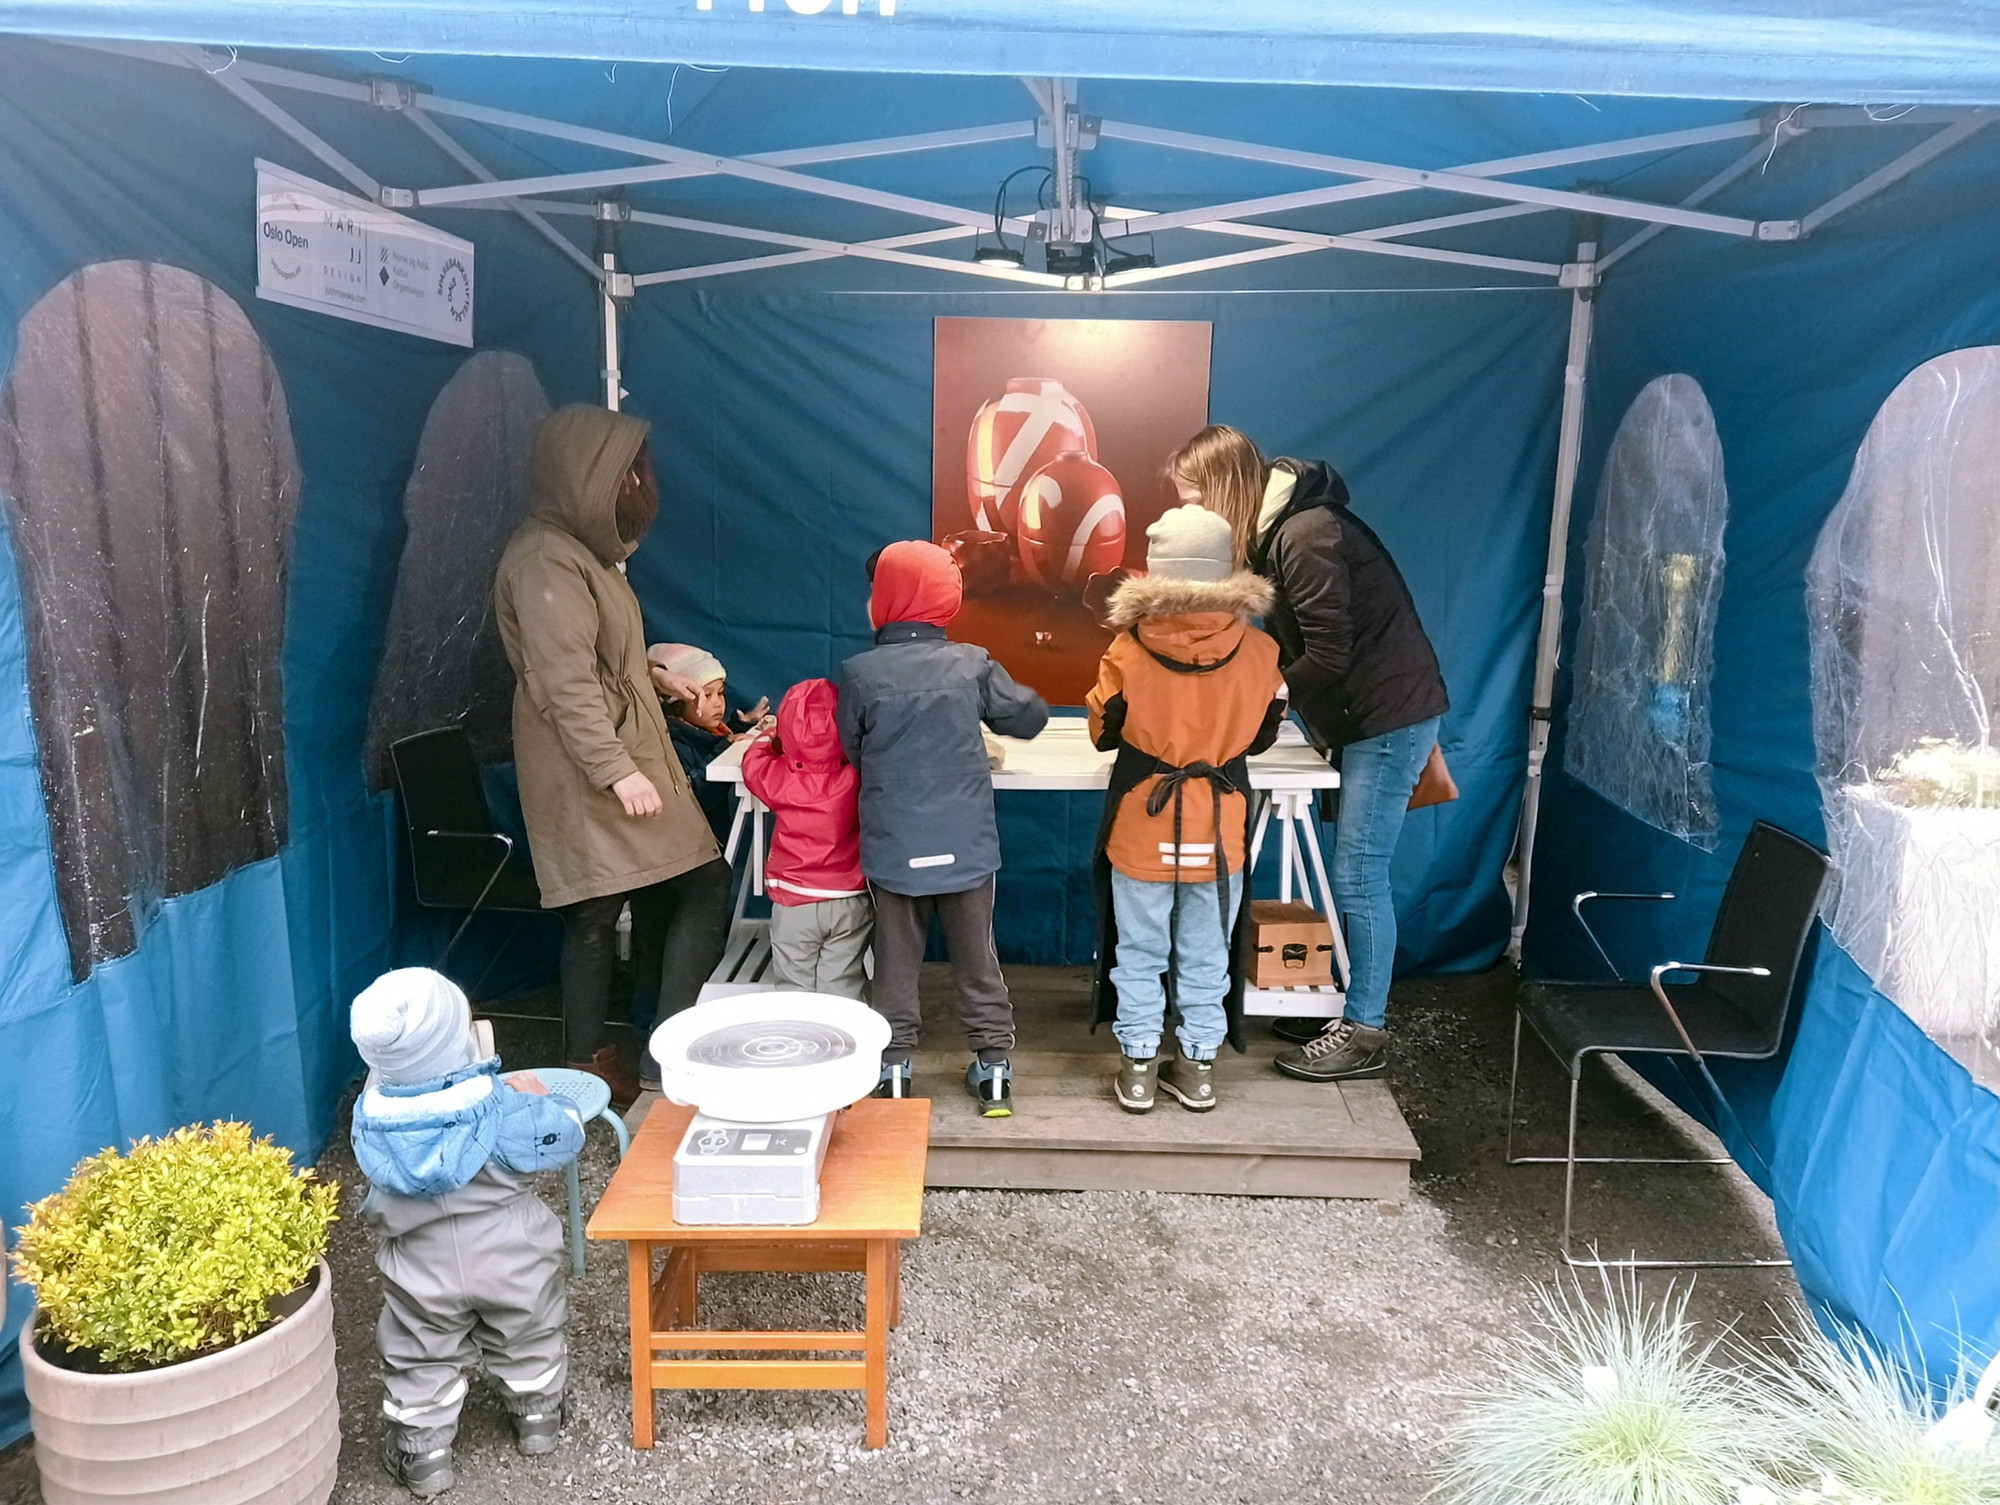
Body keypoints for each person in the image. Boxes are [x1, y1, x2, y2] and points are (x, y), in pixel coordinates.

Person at [1166, 425, 1448, 1084]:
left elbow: (1329, 652)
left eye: (1194, 501)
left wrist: (1263, 693)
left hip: (1386, 716)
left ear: (1226, 490)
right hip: (1364, 716)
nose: (1191, 516)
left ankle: (1366, 1028)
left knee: (1358, 872)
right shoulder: (1278, 534)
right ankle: (1342, 1007)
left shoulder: (1306, 535)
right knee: (1351, 867)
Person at [495, 406, 731, 1107]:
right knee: (655, 895)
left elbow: (603, 659)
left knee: (627, 901)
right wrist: (616, 769)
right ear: (585, 475)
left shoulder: (582, 553)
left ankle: (619, 1048)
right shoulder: (544, 559)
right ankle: (626, 1056)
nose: (639, 483)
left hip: (609, 754)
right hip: (585, 768)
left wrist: (663, 680)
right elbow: (562, 678)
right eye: (627, 470)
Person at [349, 968, 584, 1499]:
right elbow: (565, 1136)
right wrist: (544, 1098)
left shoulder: (373, 1124)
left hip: (419, 1264)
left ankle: (424, 1455)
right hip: (513, 1254)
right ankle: (538, 1419)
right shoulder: (503, 1110)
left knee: (419, 1351)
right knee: (529, 1330)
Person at [1087, 505, 1287, 1113]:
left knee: (1140, 952)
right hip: (1218, 828)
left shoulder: (1126, 648)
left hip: (1141, 829)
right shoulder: (1262, 651)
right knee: (1206, 954)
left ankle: (1140, 1069)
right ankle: (1198, 1069)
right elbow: (1262, 734)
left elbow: (1103, 728)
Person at [838, 539, 1049, 1114]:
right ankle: (994, 1068)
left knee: (895, 963)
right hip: (965, 844)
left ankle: (896, 1068)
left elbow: (852, 749)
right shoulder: (973, 663)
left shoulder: (859, 672)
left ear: (886, 600)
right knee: (978, 958)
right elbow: (1029, 718)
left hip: (894, 845)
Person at [741, 678, 872, 999]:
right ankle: (846, 1045)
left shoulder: (778, 777)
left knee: (793, 988)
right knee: (842, 983)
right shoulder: (857, 774)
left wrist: (769, 735)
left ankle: (801, 1044)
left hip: (794, 899)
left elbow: (752, 762)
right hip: (848, 897)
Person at [649, 641, 771, 844]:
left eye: (720, 692)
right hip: (695, 848)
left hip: (715, 839)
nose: (718, 702)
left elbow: (713, 742)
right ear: (676, 702)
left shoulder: (703, 730)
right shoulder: (673, 743)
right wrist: (727, 747)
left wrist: (742, 725)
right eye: (706, 695)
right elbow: (696, 795)